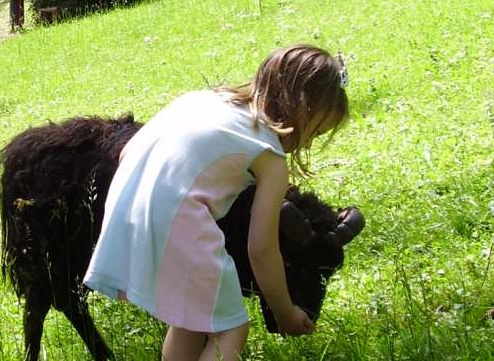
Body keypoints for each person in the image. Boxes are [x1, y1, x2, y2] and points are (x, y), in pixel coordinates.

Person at [83, 44, 349, 361]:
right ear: (304, 111)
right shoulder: (269, 156)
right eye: (316, 132)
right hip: (176, 217)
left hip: (125, 202)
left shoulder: (206, 99)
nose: (308, 141)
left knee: (192, 319)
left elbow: (129, 151)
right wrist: (284, 311)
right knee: (231, 328)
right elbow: (261, 249)